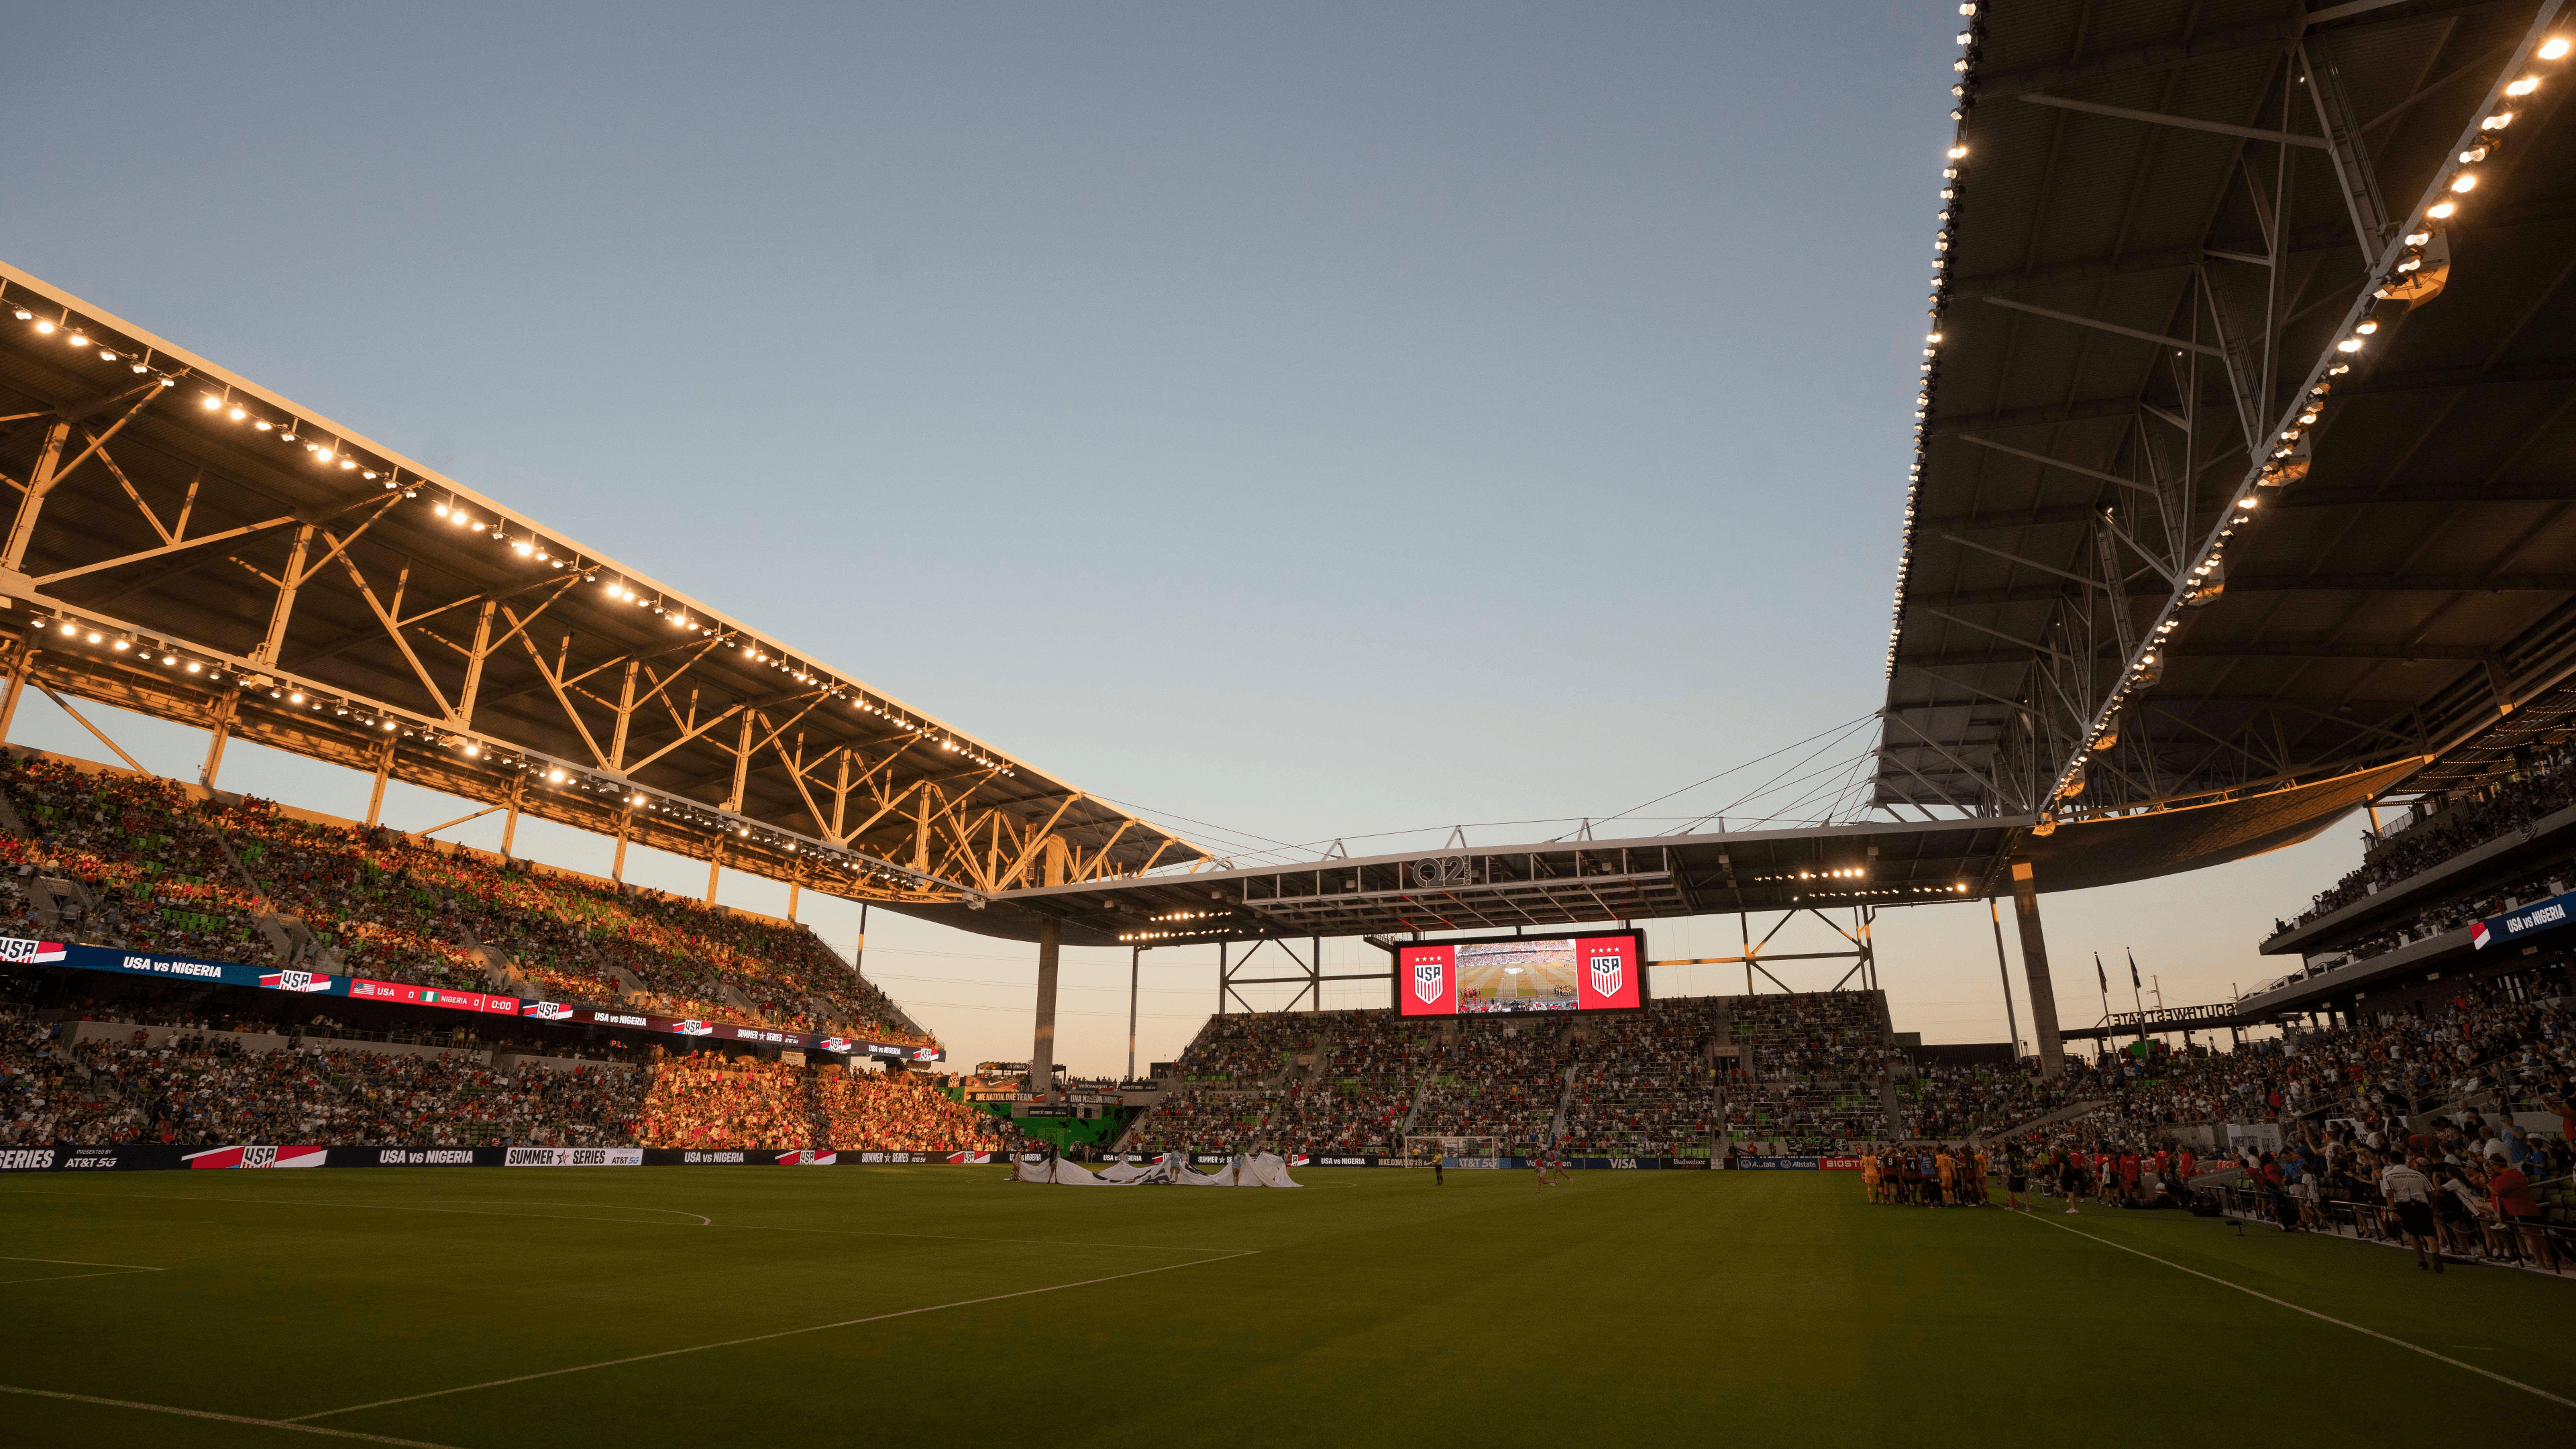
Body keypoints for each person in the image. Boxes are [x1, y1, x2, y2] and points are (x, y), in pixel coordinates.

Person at [2381, 1154, 2441, 1272]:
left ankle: (2422, 1262)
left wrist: (2392, 1210)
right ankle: (2435, 1254)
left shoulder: (2388, 1175)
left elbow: (2389, 1194)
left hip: (2405, 1205)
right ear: (2404, 1160)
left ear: (2391, 1162)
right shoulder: (2418, 1174)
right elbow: (2433, 1192)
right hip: (2423, 1204)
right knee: (2429, 1234)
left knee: (2414, 1235)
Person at [2004, 1142, 2028, 1212]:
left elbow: (2002, 1159)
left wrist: (2004, 1151)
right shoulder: (2019, 1155)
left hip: (2013, 1174)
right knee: (2024, 1190)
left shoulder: (2009, 1155)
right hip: (2021, 1174)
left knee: (2011, 1190)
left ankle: (2011, 1206)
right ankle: (2027, 1206)